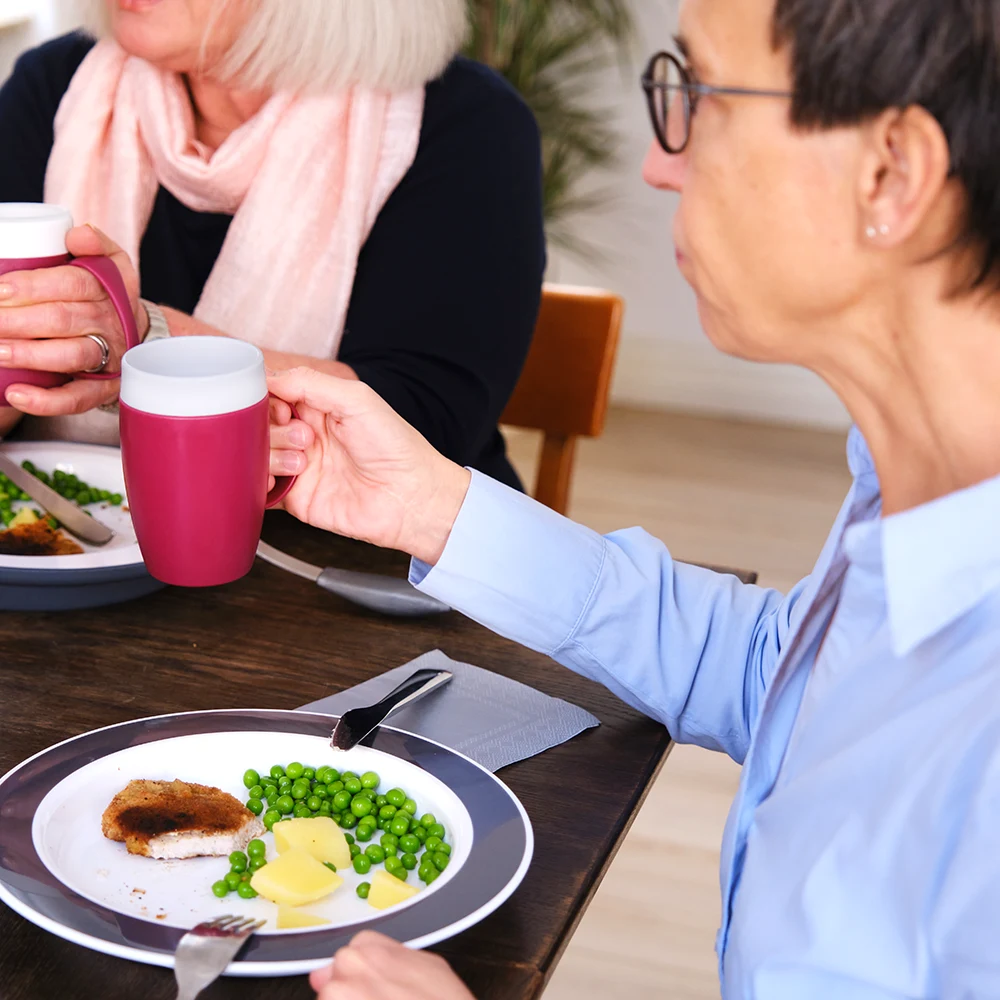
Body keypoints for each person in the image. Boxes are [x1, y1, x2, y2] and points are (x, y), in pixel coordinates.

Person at [263, 0, 1000, 995]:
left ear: (890, 172)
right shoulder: (918, 489)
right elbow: (775, 676)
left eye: (698, 94)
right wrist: (435, 507)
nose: (660, 162)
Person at [0, 0, 544, 490]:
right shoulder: (53, 85)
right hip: (72, 543)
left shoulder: (468, 123)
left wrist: (146, 342)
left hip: (376, 569)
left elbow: (428, 422)